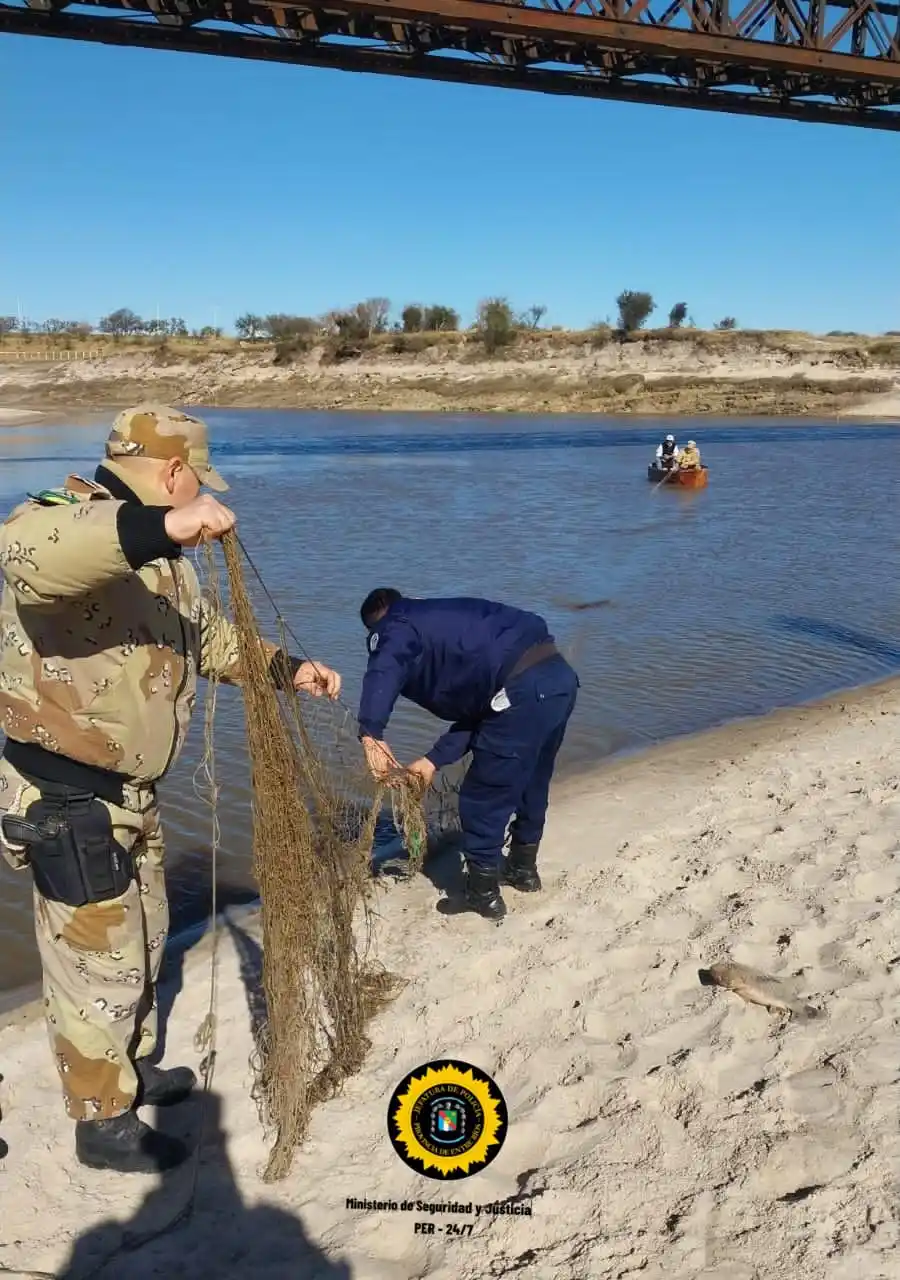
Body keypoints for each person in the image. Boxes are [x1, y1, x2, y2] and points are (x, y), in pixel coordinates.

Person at [0, 403, 341, 1175]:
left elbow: (210, 640)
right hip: (67, 797)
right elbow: (23, 555)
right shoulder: (68, 519)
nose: (196, 499)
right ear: (176, 472)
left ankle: (132, 1067)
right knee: (96, 963)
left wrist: (289, 670)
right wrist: (166, 528)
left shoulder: (163, 564)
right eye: (194, 484)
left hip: (134, 796)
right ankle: (101, 1120)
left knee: (147, 938)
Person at [354, 590, 579, 922]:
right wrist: (433, 760)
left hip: (523, 692)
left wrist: (371, 732)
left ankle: (482, 893)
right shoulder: (449, 623)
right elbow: (487, 713)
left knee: (483, 797)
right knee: (532, 780)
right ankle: (523, 870)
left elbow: (385, 666)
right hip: (558, 682)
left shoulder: (396, 624)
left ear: (376, 624)